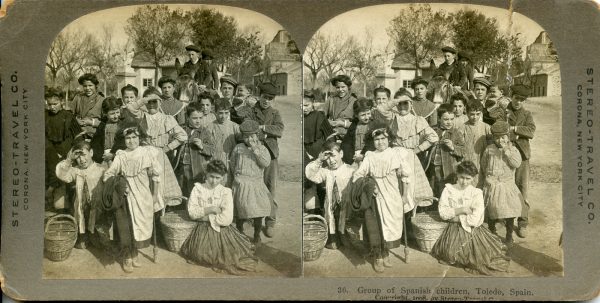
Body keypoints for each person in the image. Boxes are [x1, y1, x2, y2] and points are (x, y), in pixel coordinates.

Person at [430, 161, 510, 275]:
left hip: (472, 228)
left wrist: (455, 218)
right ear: (457, 174)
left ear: (473, 178)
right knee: (449, 254)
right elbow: (443, 213)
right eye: (462, 177)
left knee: (481, 257)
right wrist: (461, 210)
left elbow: (475, 219)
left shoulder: (476, 193)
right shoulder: (448, 190)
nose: (464, 181)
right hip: (453, 228)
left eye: (468, 178)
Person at [351, 126, 413, 273]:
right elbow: (358, 175)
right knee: (376, 226)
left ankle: (386, 252)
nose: (380, 142)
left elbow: (406, 176)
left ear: (389, 139)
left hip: (392, 195)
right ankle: (377, 256)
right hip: (375, 196)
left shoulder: (395, 154)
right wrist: (369, 186)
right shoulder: (370, 156)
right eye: (377, 139)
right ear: (373, 141)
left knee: (390, 226)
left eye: (383, 139)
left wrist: (404, 196)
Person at [180, 160, 258, 275]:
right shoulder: (198, 189)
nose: (214, 181)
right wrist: (210, 209)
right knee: (200, 254)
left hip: (222, 229)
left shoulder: (225, 192)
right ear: (206, 174)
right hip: (202, 230)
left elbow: (227, 219)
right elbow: (192, 212)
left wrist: (205, 217)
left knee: (230, 254)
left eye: (218, 178)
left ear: (222, 178)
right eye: (211, 176)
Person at [103, 125, 164, 268]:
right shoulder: (121, 155)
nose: (131, 141)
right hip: (126, 196)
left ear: (139, 138)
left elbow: (156, 175)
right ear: (123, 140)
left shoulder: (147, 153)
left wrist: (154, 195)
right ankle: (127, 256)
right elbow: (108, 174)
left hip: (143, 195)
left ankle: (134, 252)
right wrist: (119, 186)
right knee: (126, 226)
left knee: (139, 226)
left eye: (134, 137)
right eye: (128, 138)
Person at [123, 87, 186, 206]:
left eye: (154, 101)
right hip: (144, 155)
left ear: (160, 102)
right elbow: (130, 108)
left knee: (159, 185)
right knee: (145, 185)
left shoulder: (167, 119)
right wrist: (145, 99)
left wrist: (168, 148)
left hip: (160, 156)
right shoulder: (142, 116)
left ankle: (160, 214)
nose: (151, 105)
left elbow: (182, 136)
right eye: (149, 102)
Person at [372, 89, 436, 206]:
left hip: (411, 157)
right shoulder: (392, 117)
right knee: (393, 188)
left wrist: (418, 149)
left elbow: (433, 137)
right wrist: (397, 100)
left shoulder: (418, 120)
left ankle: (409, 215)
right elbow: (381, 109)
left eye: (405, 103)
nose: (402, 106)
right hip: (394, 156)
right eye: (400, 104)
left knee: (408, 189)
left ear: (411, 104)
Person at [230, 120, 274, 244]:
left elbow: (266, 163)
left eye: (252, 136)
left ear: (257, 135)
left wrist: (255, 150)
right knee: (240, 210)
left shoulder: (262, 149)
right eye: (246, 136)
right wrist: (238, 177)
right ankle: (240, 232)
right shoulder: (238, 148)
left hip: (256, 184)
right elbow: (233, 164)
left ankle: (257, 234)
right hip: (241, 183)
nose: (249, 139)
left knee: (258, 211)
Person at [305, 141, 355, 250]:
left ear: (341, 154)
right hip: (332, 208)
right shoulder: (325, 171)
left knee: (349, 239)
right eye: (327, 158)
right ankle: (334, 237)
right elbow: (310, 174)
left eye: (333, 155)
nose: (331, 160)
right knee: (332, 242)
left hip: (346, 209)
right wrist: (319, 160)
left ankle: (344, 236)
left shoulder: (350, 170)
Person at [56, 141, 105, 249]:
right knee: (81, 218)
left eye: (84, 155)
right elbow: (61, 174)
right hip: (82, 206)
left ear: (91, 152)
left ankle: (95, 236)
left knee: (100, 238)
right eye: (78, 157)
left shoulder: (101, 169)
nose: (82, 160)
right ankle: (84, 236)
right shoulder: (75, 170)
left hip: (97, 208)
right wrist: (69, 160)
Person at [250, 82, 284, 237]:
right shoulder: (251, 110)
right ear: (259, 96)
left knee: (270, 187)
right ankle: (253, 219)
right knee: (254, 187)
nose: (266, 101)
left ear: (273, 100)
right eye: (264, 97)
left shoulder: (275, 113)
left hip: (270, 154)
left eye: (270, 98)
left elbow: (279, 130)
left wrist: (263, 128)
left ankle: (270, 221)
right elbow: (247, 126)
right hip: (254, 153)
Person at [480, 121, 524, 244]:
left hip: (507, 185)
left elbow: (517, 163)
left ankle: (509, 234)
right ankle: (492, 231)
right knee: (492, 209)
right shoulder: (489, 149)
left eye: (503, 137)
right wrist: (488, 179)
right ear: (493, 138)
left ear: (508, 137)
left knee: (510, 209)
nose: (500, 140)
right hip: (492, 184)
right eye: (497, 138)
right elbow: (484, 166)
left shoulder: (513, 149)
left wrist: (507, 152)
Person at [45, 87, 82, 211]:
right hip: (51, 155)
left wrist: (74, 152)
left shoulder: (68, 116)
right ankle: (59, 207)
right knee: (58, 204)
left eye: (55, 104)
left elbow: (78, 136)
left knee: (72, 186)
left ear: (61, 102)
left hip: (69, 154)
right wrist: (53, 153)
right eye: (49, 104)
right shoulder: (45, 116)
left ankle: (73, 209)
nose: (52, 107)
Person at [506, 85, 536, 238]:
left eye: (522, 100)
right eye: (516, 98)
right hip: (506, 154)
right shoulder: (504, 111)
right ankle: (507, 221)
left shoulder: (527, 114)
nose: (518, 102)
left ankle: (522, 222)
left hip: (523, 156)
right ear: (511, 96)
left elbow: (531, 131)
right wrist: (514, 133)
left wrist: (515, 129)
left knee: (522, 189)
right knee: (506, 187)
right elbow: (500, 128)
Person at [199, 97, 242, 186]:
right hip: (216, 161)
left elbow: (241, 142)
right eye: (220, 113)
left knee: (230, 185)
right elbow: (206, 146)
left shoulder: (234, 126)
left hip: (231, 161)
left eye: (226, 113)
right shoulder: (210, 127)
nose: (223, 116)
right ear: (215, 112)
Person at [425, 104, 464, 198]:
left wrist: (453, 147)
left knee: (446, 190)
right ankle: (433, 208)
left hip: (447, 169)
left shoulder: (456, 133)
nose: (449, 122)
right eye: (446, 119)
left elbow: (463, 151)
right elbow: (425, 145)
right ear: (439, 118)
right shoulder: (432, 130)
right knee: (432, 187)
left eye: (451, 119)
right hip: (432, 166)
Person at [175, 102, 211, 197]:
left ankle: (192, 210)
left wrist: (202, 146)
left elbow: (211, 150)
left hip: (196, 169)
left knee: (194, 192)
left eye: (200, 118)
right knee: (181, 189)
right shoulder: (181, 129)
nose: (198, 121)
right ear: (188, 117)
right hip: (181, 167)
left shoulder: (205, 132)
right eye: (195, 118)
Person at [455, 100, 492, 187]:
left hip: (482, 162)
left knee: (481, 185)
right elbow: (459, 147)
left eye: (477, 114)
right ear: (466, 113)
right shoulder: (462, 128)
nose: (475, 117)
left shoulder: (486, 127)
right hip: (468, 162)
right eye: (472, 114)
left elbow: (491, 146)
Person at [341, 97, 375, 166]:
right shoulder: (354, 125)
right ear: (356, 115)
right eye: (363, 115)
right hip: (354, 155)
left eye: (368, 113)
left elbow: (372, 143)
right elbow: (347, 142)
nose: (366, 117)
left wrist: (363, 155)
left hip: (368, 153)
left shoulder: (373, 125)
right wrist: (350, 158)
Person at [90, 97, 124, 165]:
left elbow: (122, 142)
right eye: (112, 114)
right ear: (105, 113)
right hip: (104, 155)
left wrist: (113, 153)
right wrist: (100, 156)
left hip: (117, 153)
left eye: (117, 112)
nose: (116, 116)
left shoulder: (122, 125)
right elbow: (96, 143)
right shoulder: (102, 125)